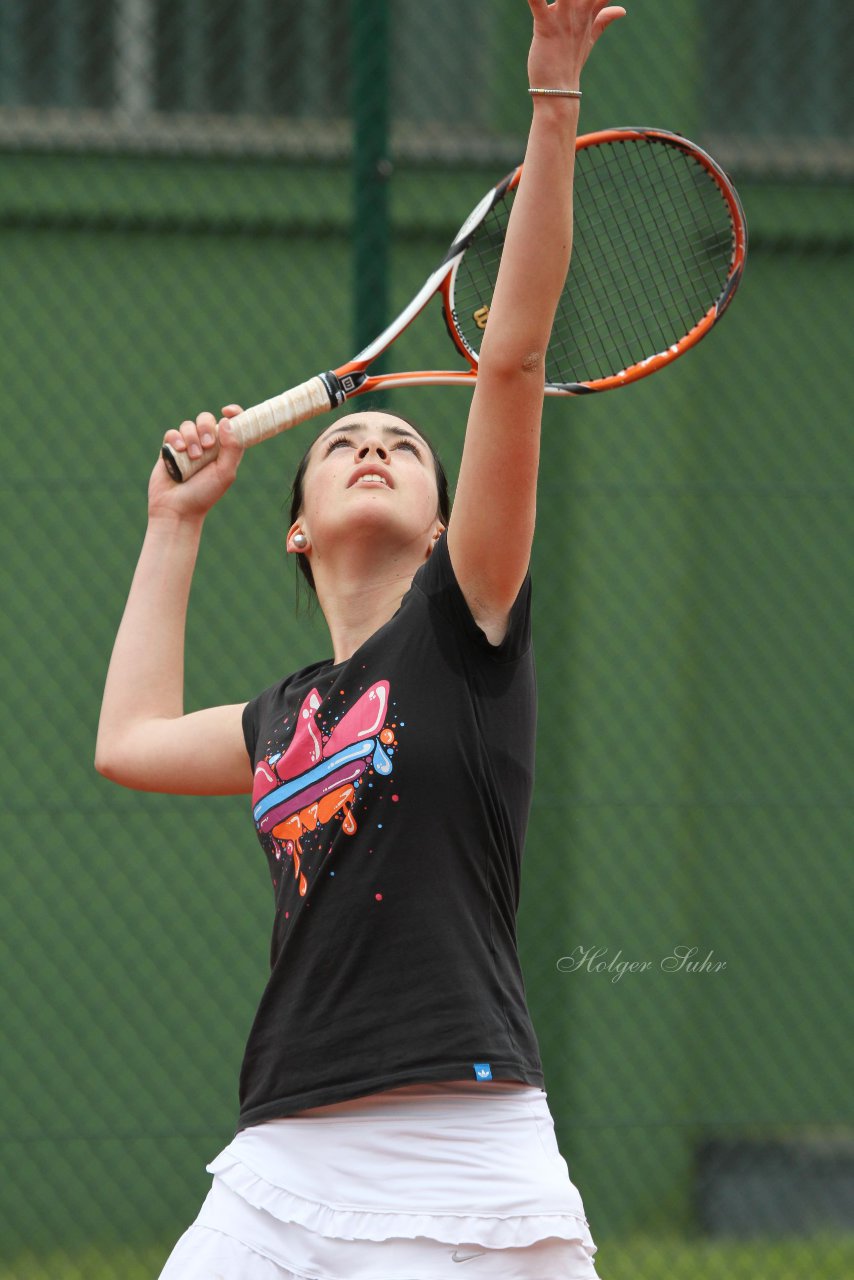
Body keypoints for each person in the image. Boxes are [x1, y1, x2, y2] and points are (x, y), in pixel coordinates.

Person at [96, 2, 626, 1276]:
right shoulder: (284, 715)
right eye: (346, 442)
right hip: (281, 1157)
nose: (375, 444)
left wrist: (551, 92)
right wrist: (174, 521)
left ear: (447, 516)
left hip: (471, 1144)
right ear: (296, 530)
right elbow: (127, 741)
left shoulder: (465, 623)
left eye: (400, 444)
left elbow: (512, 358)